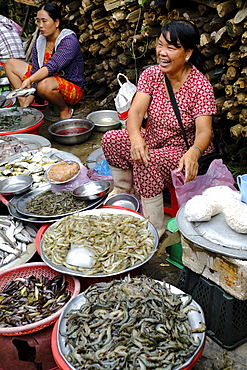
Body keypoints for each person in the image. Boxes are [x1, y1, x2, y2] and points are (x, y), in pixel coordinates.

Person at [102, 19, 217, 238]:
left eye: (171, 48)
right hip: (153, 138)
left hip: (182, 149)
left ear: (187, 53)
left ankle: (154, 228)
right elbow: (135, 112)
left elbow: (204, 131)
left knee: (147, 162)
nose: (162, 53)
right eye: (160, 45)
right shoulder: (152, 75)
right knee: (111, 139)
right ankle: (124, 193)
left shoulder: (199, 85)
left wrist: (194, 151)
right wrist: (136, 138)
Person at [4, 3, 85, 120]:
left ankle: (64, 109)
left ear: (56, 22)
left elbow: (53, 66)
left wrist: (31, 80)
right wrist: (29, 97)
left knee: (43, 84)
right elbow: (36, 71)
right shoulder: (40, 42)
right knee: (11, 64)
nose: (40, 25)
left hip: (71, 88)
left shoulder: (69, 41)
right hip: (43, 81)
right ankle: (24, 106)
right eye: (38, 21)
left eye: (44, 21)